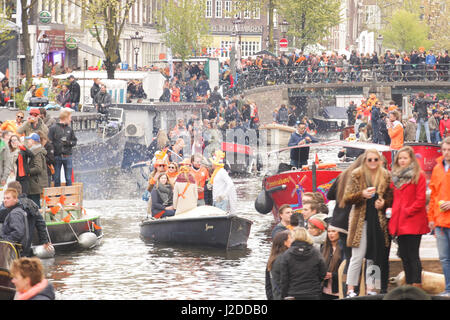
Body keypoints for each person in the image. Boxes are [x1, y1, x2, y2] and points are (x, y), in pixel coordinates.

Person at [344, 149, 393, 297]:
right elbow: (347, 198)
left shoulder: (385, 175)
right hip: (361, 220)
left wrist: (383, 203)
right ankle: (350, 289)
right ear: (365, 160)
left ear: (379, 160)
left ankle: (371, 288)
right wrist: (362, 195)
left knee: (375, 255)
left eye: (375, 159)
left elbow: (391, 197)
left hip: (378, 220)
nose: (372, 162)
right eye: (369, 160)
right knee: (357, 256)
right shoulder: (357, 174)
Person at [389, 146, 429, 289]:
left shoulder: (419, 175)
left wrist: (407, 211)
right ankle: (408, 284)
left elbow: (420, 200)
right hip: (400, 221)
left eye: (405, 158)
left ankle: (416, 285)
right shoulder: (395, 177)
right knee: (404, 255)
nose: (402, 161)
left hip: (413, 221)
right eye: (400, 158)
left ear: (411, 159)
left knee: (413, 255)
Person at [1, 181, 51, 257]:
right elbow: (41, 223)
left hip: (12, 247)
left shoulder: (8, 207)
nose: (5, 200)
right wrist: (44, 241)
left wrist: (4, 240)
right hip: (27, 244)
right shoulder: (32, 203)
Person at [427, 137, 450, 296]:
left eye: (449, 150)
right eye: (444, 150)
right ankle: (448, 288)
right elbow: (433, 195)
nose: (446, 153)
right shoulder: (437, 168)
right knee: (444, 258)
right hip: (440, 221)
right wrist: (431, 219)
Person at [279, 227, 327, 300]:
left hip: (293, 293)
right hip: (312, 292)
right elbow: (323, 273)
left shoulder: (287, 255)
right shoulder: (316, 253)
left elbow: (284, 278)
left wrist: (283, 295)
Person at [48, 109, 77, 187]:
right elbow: (49, 142)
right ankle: (57, 197)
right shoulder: (53, 128)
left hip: (67, 156)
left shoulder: (69, 129)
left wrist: (68, 143)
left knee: (68, 178)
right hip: (57, 156)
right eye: (70, 117)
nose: (71, 120)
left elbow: (74, 141)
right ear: (65, 118)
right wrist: (51, 154)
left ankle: (69, 196)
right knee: (56, 178)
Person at [0, 188, 28, 253]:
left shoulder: (15, 213)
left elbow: (18, 233)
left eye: (8, 198)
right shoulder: (16, 210)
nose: (5, 200)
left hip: (13, 250)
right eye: (4, 198)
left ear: (15, 199)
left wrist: (4, 240)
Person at [266, 230, 292, 300]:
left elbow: (268, 284)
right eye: (291, 238)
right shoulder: (286, 259)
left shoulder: (271, 259)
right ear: (285, 242)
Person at [25, 133, 48, 208]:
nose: (27, 141)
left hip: (35, 183)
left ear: (33, 141)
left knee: (35, 206)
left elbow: (38, 168)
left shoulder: (37, 153)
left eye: (29, 139)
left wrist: (27, 171)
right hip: (35, 183)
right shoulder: (35, 151)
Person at [321, 226, 343, 300]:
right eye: (329, 231)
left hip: (338, 291)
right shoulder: (324, 247)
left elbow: (346, 270)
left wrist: (332, 275)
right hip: (324, 290)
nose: (331, 234)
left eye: (333, 231)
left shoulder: (344, 249)